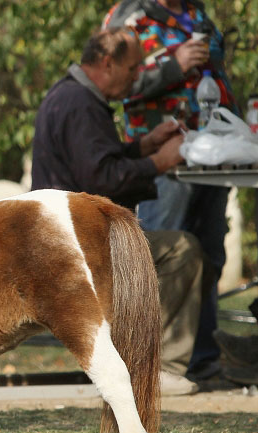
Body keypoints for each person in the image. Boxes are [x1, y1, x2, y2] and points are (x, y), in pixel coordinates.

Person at [31, 27, 202, 396]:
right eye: (133, 68)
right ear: (107, 63)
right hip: (73, 247)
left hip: (62, 236)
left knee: (173, 246)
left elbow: (93, 162)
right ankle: (157, 370)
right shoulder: (80, 104)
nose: (137, 76)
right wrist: (159, 161)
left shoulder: (69, 95)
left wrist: (141, 147)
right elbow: (103, 180)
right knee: (183, 249)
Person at [103, 0, 240, 381]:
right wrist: (174, 65)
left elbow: (218, 77)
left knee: (210, 253)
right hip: (162, 159)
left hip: (214, 154)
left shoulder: (197, 13)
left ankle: (202, 359)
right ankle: (149, 366)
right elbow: (116, 84)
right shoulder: (129, 17)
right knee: (163, 258)